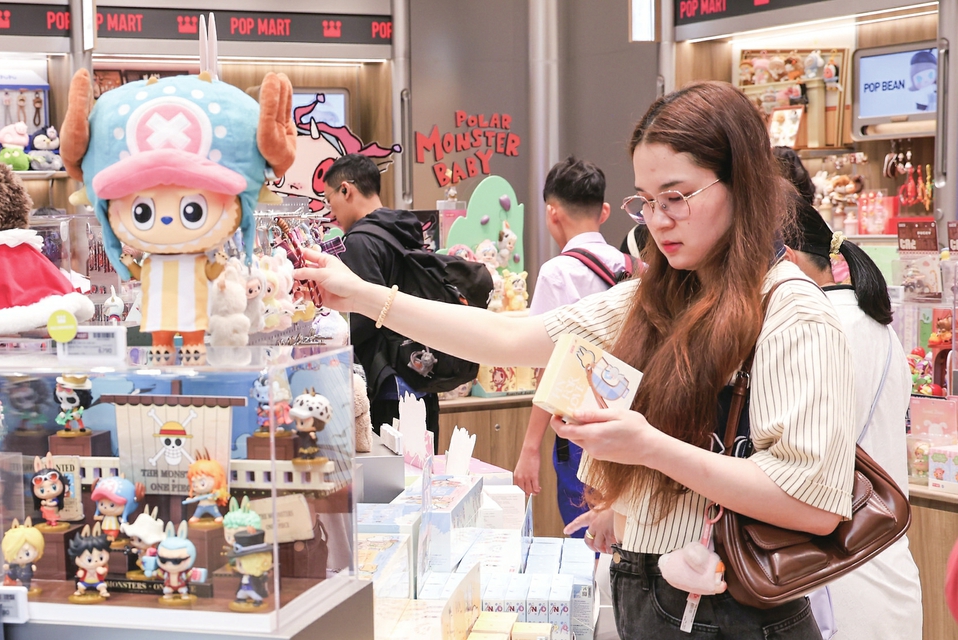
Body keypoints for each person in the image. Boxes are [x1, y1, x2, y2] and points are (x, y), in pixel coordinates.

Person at [296, 81, 856, 639]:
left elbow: (811, 504)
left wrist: (649, 448)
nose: (658, 220)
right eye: (646, 201)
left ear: (740, 186)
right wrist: (363, 296)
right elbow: (510, 336)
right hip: (655, 595)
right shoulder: (658, 297)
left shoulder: (792, 312)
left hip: (733, 612)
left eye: (676, 197)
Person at [783, 193, 922, 640]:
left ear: (785, 261)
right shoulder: (876, 326)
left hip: (836, 579)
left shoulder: (814, 332)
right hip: (889, 567)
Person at [514, 156, 629, 536]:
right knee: (622, 533)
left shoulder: (557, 273)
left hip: (578, 430)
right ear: (604, 211)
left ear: (552, 212)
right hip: (628, 423)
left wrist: (530, 447)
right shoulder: (632, 267)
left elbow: (549, 366)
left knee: (585, 536)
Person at [323, 153, 440, 435]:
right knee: (422, 462)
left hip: (388, 386)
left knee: (389, 463)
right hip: (422, 377)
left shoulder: (359, 242)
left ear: (346, 190)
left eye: (329, 200)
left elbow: (364, 315)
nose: (331, 212)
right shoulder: (406, 231)